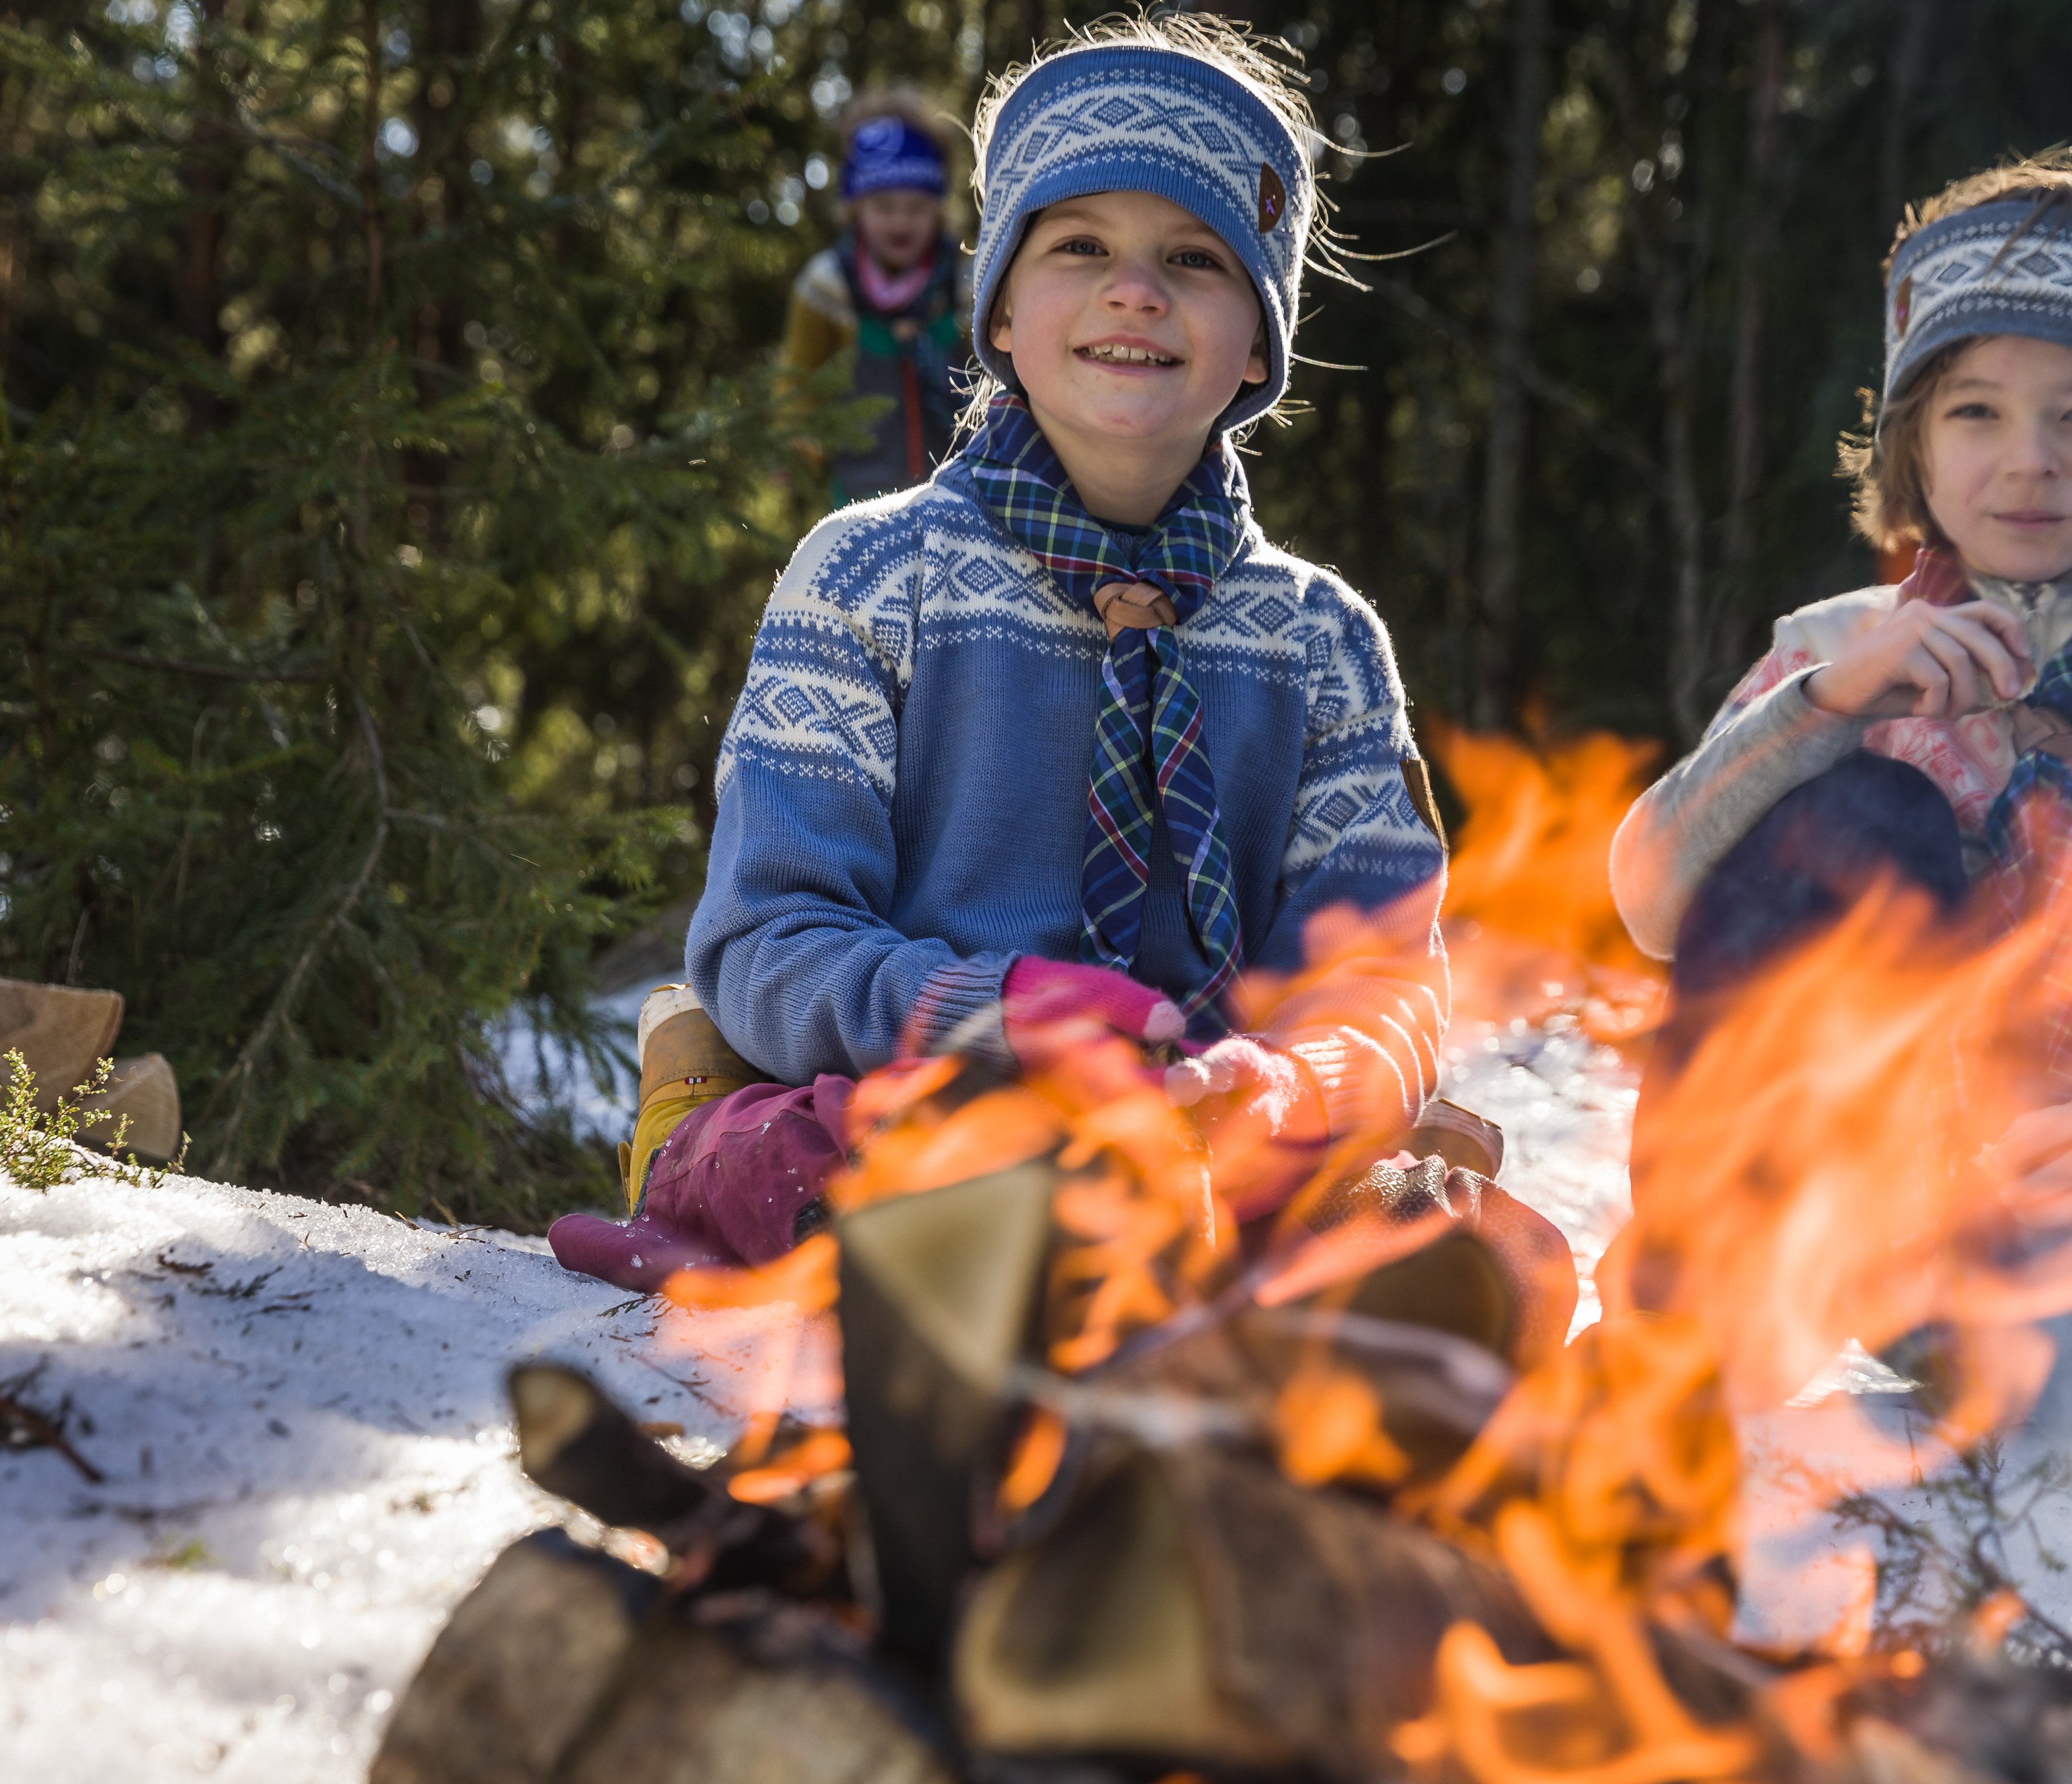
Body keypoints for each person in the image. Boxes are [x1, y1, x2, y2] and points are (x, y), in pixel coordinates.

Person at [552, 18, 1477, 1296]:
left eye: (1196, 258)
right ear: (997, 306)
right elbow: (770, 943)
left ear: (1261, 343)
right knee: (858, 1161)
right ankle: (981, 1236)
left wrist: (1290, 1080)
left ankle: (1245, 1273)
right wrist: (994, 1013)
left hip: (1224, 1144)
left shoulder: (1323, 645)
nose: (1135, 291)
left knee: (1458, 1229)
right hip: (919, 1102)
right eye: (1079, 245)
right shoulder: (867, 580)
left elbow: (1382, 983)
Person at [1606, 145, 2072, 1471]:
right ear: (1911, 439)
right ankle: (1712, 1289)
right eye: (1974, 412)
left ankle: (2041, 1352)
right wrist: (1818, 712)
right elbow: (1652, 900)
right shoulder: (1834, 650)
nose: (2029, 460)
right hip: (1845, 1204)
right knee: (1864, 805)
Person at [783, 92, 975, 507]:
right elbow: (798, 377)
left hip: (963, 496)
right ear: (856, 206)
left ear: (940, 209)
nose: (901, 221)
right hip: (858, 500)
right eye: (884, 206)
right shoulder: (827, 288)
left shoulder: (967, 285)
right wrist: (795, 445)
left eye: (917, 207)